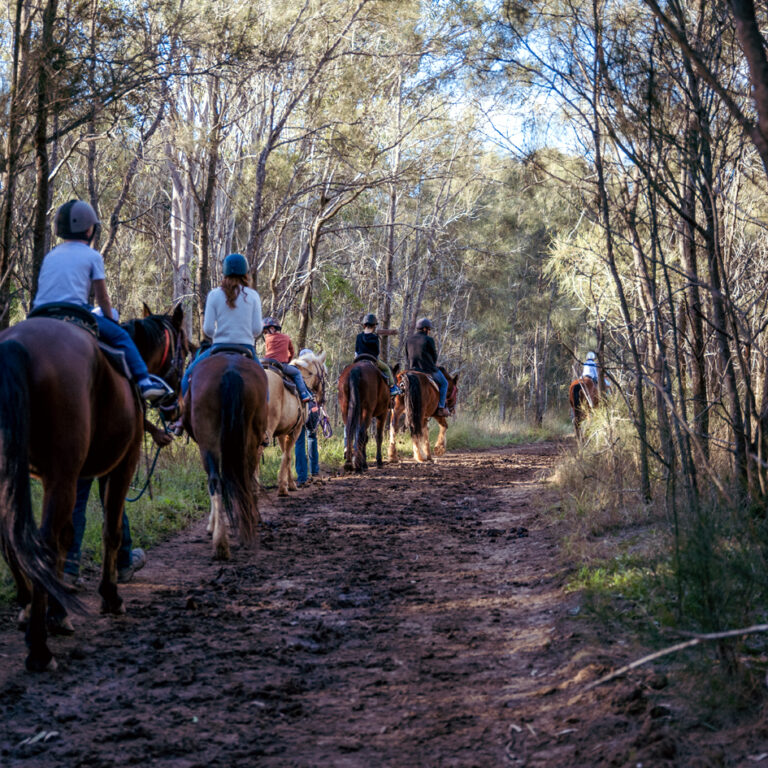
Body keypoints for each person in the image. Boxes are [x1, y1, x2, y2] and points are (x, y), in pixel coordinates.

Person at [33, 199, 172, 401]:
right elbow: (102, 297)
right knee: (121, 337)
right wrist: (110, 318)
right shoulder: (92, 256)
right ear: (88, 230)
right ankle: (144, 382)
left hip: (40, 313)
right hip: (72, 312)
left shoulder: (51, 255)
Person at [181, 252, 263, 396]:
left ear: (224, 272)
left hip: (219, 347)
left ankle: (179, 408)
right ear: (245, 273)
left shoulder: (214, 294)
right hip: (246, 348)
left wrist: (220, 335)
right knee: (264, 386)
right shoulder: (253, 296)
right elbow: (257, 329)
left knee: (187, 376)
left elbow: (208, 329)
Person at [262, 317, 319, 428]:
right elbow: (292, 352)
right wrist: (287, 360)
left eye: (265, 331)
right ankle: (304, 394)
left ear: (272, 328)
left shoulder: (268, 338)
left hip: (266, 364)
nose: (265, 334)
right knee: (297, 373)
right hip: (281, 365)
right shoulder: (286, 338)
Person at [405, 317, 450, 417]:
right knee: (444, 383)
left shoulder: (409, 340)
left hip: (412, 369)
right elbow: (434, 356)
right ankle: (441, 407)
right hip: (428, 370)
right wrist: (433, 364)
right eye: (429, 329)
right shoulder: (429, 339)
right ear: (425, 329)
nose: (429, 331)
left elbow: (407, 356)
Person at [356, 312, 401, 397]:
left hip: (359, 360)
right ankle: (392, 388)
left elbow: (356, 351)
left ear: (364, 325)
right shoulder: (375, 337)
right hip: (372, 360)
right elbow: (377, 352)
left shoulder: (359, 336)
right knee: (387, 368)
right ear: (374, 326)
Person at [294, 348, 321, 487]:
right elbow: (319, 391)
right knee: (312, 437)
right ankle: (314, 471)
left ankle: (302, 477)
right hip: (312, 407)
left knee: (299, 441)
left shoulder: (295, 372)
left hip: (298, 409)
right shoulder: (314, 372)